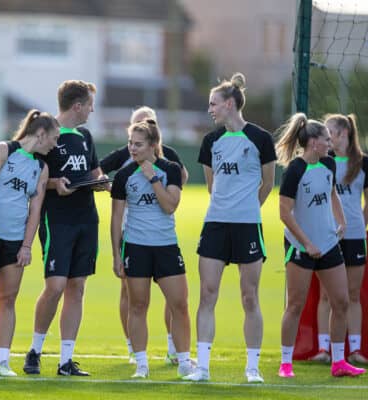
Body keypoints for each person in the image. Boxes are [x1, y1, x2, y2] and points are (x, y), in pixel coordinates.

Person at [183, 73, 276, 383]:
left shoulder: (261, 138)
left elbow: (268, 183)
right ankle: (204, 368)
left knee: (250, 297)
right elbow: (212, 187)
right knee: (207, 294)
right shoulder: (211, 141)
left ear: (230, 104)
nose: (209, 109)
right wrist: (227, 207)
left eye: (213, 104)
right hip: (216, 225)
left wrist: (247, 209)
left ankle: (252, 369)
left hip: (248, 225)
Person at [0, 110, 58, 377]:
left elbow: (35, 210)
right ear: (40, 134)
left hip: (15, 241)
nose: (55, 143)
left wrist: (27, 245)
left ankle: (2, 362)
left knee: (8, 299)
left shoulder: (41, 167)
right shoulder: (2, 151)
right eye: (53, 137)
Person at [23, 80, 108, 376]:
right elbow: (29, 175)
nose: (91, 110)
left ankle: (65, 360)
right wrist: (54, 184)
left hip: (87, 218)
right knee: (55, 286)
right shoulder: (47, 134)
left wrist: (102, 182)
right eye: (89, 105)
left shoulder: (85, 136)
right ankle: (34, 350)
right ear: (77, 106)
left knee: (77, 287)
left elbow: (95, 172)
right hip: (57, 220)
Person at [276, 113, 365, 378]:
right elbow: (284, 213)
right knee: (295, 304)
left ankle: (339, 363)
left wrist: (341, 221)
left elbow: (332, 193)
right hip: (300, 247)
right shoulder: (295, 170)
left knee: (341, 302)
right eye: (326, 139)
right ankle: (285, 363)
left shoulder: (328, 164)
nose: (331, 143)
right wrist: (306, 243)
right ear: (314, 142)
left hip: (328, 245)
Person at [100, 106, 188, 365]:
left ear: (153, 145)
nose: (132, 149)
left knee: (179, 304)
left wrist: (153, 179)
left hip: (166, 247)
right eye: (130, 143)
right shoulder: (125, 174)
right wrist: (117, 255)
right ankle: (140, 362)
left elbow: (170, 205)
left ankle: (183, 361)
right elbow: (116, 218)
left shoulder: (170, 169)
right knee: (137, 306)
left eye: (138, 144)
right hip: (136, 247)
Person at [309, 114, 368, 365]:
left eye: (329, 132)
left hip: (354, 236)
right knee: (326, 296)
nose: (327, 137)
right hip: (328, 236)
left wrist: (361, 225)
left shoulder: (363, 163)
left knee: (353, 295)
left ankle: (354, 351)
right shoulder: (325, 162)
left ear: (343, 132)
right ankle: (324, 350)